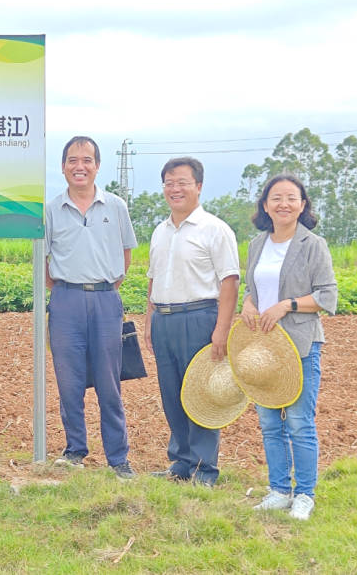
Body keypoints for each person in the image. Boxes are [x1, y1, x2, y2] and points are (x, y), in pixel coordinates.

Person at [240, 175, 337, 520]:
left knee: (299, 423)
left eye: (291, 198)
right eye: (276, 198)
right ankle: (279, 490)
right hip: (263, 348)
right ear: (265, 205)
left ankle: (304, 494)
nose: (284, 204)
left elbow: (327, 295)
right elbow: (253, 288)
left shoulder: (313, 244)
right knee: (270, 423)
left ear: (302, 205)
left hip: (300, 345)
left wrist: (287, 305)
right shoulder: (257, 244)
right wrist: (248, 303)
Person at [45, 136, 137, 480]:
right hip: (65, 301)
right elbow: (44, 260)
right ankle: (75, 450)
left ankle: (118, 458)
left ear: (97, 166)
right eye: (72, 160)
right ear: (63, 167)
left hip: (105, 299)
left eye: (86, 160)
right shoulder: (51, 210)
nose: (79, 166)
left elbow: (126, 254)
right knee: (68, 381)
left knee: (109, 382)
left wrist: (104, 287)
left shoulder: (116, 206)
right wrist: (64, 289)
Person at [144, 157, 240, 486]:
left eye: (182, 182)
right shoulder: (160, 231)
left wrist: (222, 330)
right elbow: (154, 279)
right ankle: (181, 463)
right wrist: (149, 321)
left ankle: (204, 469)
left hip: (199, 318)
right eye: (169, 183)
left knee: (201, 392)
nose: (175, 189)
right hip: (164, 319)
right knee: (172, 394)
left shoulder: (215, 229)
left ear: (198, 186)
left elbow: (230, 281)